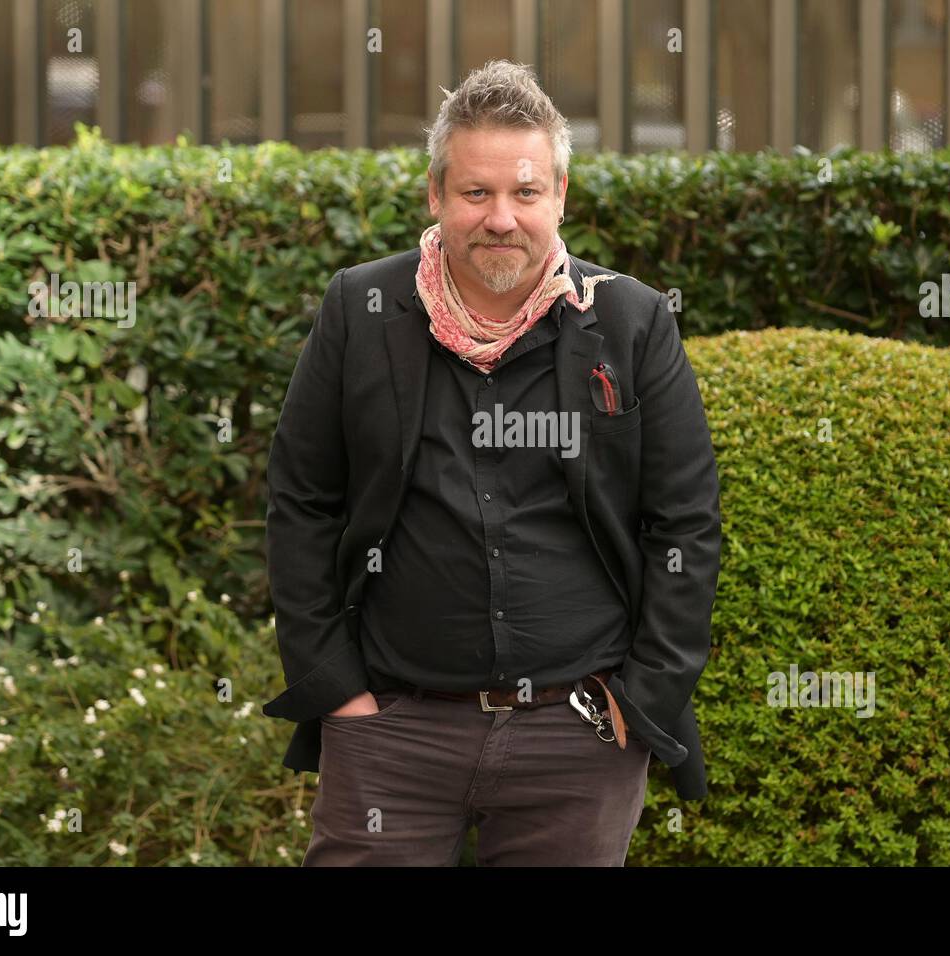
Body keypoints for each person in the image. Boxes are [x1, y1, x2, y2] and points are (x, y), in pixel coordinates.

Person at [262, 59, 721, 866]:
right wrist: (337, 688)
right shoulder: (362, 311)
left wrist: (643, 697)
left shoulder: (631, 321)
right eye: (476, 194)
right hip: (393, 732)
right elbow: (300, 501)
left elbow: (684, 520)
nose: (500, 218)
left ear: (561, 196)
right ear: (436, 196)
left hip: (579, 736)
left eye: (525, 193)